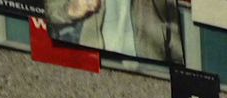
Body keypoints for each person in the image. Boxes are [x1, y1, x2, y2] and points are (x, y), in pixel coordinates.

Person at [44, 0, 184, 64]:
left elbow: (175, 44)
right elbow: (49, 10)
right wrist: (73, 8)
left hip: (149, 70)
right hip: (99, 65)